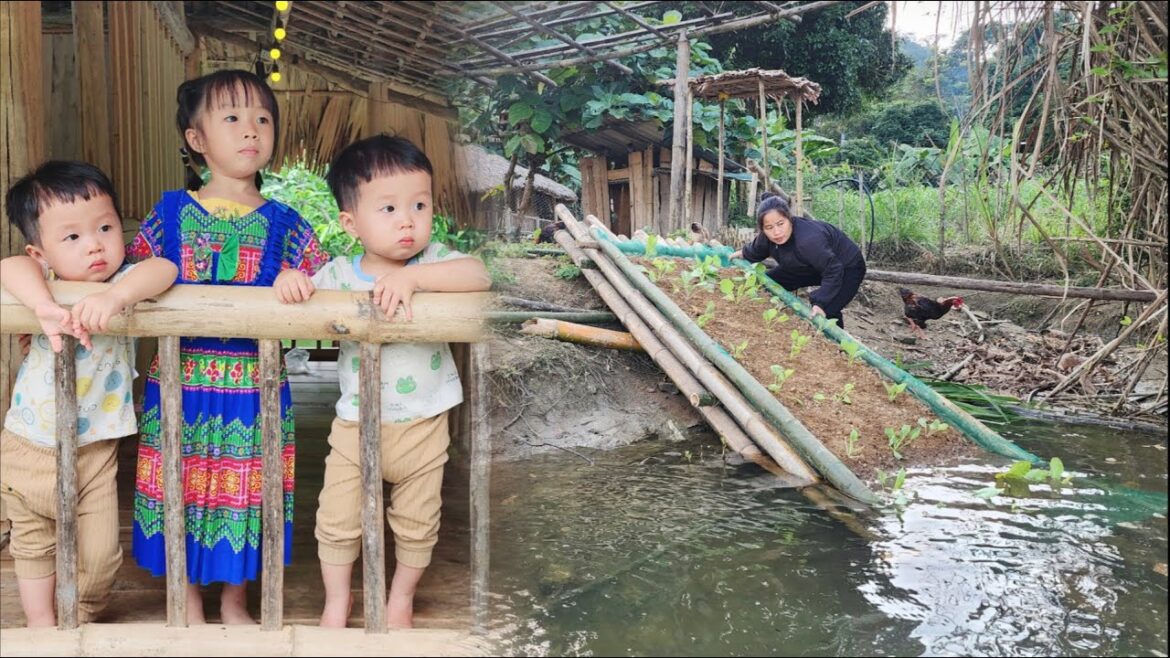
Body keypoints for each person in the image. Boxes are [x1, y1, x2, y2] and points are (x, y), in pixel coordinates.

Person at [128, 69, 328, 624]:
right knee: (181, 482)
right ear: (197, 140)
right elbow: (127, 270)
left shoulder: (288, 224)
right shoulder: (168, 213)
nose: (251, 131)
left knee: (248, 490)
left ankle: (236, 599)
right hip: (179, 382)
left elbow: (326, 283)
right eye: (233, 118)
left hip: (254, 386)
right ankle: (187, 599)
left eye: (263, 119)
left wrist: (299, 281)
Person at [274, 134, 491, 628]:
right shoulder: (336, 274)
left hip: (425, 425)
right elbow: (300, 298)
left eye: (419, 204)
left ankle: (400, 599)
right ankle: (337, 600)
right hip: (355, 425)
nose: (407, 220)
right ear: (351, 222)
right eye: (389, 208)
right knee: (336, 518)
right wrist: (290, 280)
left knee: (418, 523)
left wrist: (415, 280)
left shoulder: (434, 262)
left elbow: (478, 273)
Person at [0, 161, 179, 626]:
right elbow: (10, 265)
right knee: (34, 545)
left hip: (95, 452)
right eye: (72, 237)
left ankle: (79, 612)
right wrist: (42, 305)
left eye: (105, 226)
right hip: (27, 446)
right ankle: (42, 628)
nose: (95, 244)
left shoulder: (123, 284)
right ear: (42, 253)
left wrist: (115, 299)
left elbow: (164, 268)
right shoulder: (45, 286)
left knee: (101, 556)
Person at [732, 192, 866, 329]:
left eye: (780, 224)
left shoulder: (808, 240)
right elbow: (757, 249)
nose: (776, 232)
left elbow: (833, 270)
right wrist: (744, 253)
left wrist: (821, 302)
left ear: (789, 219)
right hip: (811, 265)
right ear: (763, 229)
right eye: (769, 227)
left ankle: (838, 345)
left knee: (827, 310)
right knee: (767, 283)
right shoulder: (768, 237)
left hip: (846, 267)